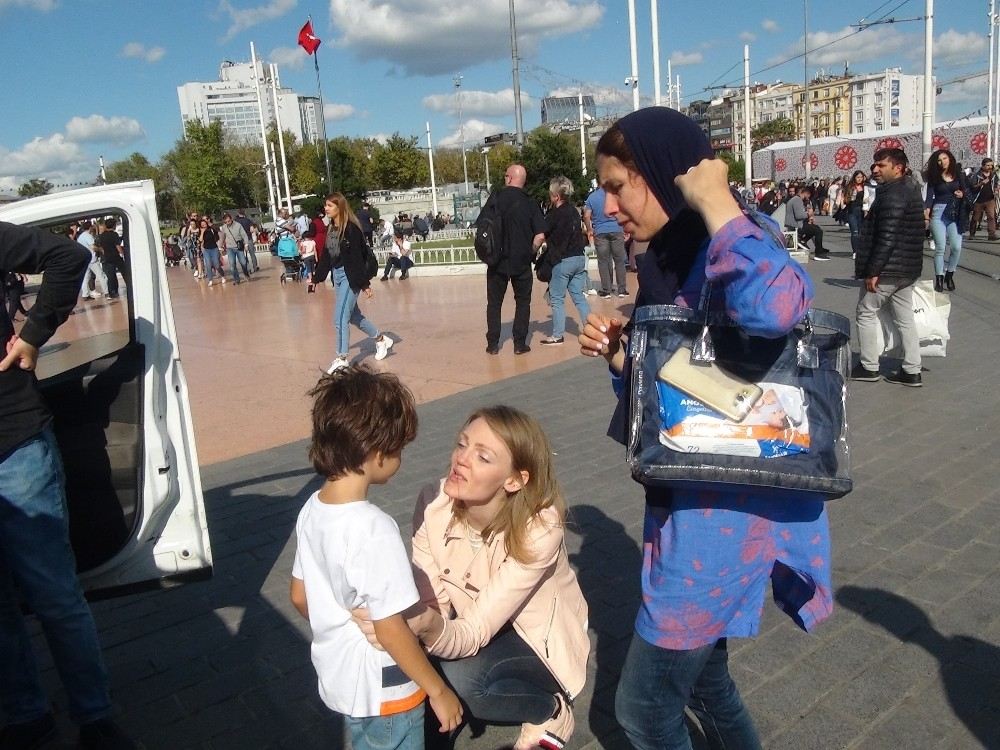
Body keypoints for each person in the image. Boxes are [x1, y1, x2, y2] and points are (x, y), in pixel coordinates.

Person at [577, 107, 830, 750]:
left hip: (721, 527)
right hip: (686, 511)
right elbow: (675, 406)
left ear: (668, 176)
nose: (607, 207)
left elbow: (778, 307)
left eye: (617, 184)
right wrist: (623, 357)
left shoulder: (735, 242)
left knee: (641, 710)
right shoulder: (670, 262)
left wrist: (720, 206)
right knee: (706, 686)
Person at [356, 405, 589, 750]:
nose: (461, 459)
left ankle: (549, 710)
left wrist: (422, 624)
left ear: (514, 480)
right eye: (462, 444)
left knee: (465, 681)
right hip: (471, 622)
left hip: (535, 640)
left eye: (483, 456)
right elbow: (433, 602)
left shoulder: (539, 530)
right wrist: (402, 624)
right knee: (415, 666)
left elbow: (471, 630)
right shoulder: (433, 504)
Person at [0, 221, 136, 749]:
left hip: (13, 443)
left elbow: (65, 258)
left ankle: (94, 717)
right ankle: (26, 714)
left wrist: (32, 336)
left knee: (54, 592)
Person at [291, 366, 463, 750]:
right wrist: (436, 690)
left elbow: (301, 597)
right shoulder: (374, 528)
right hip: (384, 688)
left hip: (342, 677)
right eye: (399, 448)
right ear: (376, 452)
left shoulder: (311, 510)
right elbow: (390, 629)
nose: (400, 458)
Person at [850, 148, 926, 387]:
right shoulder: (909, 188)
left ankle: (869, 366)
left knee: (865, 312)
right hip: (907, 268)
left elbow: (887, 237)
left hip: (889, 269)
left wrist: (873, 271)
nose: (875, 169)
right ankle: (912, 370)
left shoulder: (894, 194)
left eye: (881, 165)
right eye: (875, 165)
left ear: (898, 168)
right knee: (905, 319)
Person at [313, 193, 393, 372]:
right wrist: (317, 277)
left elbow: (357, 258)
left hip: (351, 277)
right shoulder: (331, 229)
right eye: (325, 205)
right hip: (338, 276)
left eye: (329, 206)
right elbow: (327, 256)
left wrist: (364, 284)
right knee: (354, 316)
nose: (326, 209)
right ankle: (381, 340)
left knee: (340, 318)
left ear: (339, 208)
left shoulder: (351, 229)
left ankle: (342, 357)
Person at [484, 164, 545, 355]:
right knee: (523, 301)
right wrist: (530, 252)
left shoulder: (495, 199)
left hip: (497, 261)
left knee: (494, 303)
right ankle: (519, 343)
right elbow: (540, 235)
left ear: (509, 178)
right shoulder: (530, 203)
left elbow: (482, 229)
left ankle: (493, 344)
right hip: (521, 261)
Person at [541, 176, 590, 345]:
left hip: (563, 260)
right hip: (578, 258)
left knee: (557, 299)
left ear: (556, 196)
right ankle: (589, 327)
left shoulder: (555, 214)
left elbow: (544, 234)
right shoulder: (574, 211)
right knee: (578, 296)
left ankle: (557, 335)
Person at [924, 148, 970, 292]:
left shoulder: (959, 175)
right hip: (938, 213)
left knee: (956, 247)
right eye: (939, 160)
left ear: (949, 158)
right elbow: (929, 197)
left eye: (944, 158)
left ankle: (950, 274)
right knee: (940, 248)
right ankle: (940, 278)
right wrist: (926, 213)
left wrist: (962, 193)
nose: (942, 162)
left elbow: (967, 191)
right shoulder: (934, 177)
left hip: (955, 213)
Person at [584, 185, 628, 297]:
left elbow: (586, 216)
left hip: (600, 232)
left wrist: (589, 229)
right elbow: (624, 211)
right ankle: (621, 290)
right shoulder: (615, 195)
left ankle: (606, 290)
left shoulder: (592, 197)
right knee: (619, 261)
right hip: (617, 229)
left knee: (603, 261)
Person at [784, 184, 828, 260]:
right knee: (818, 231)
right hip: (796, 225)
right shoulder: (797, 200)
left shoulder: (795, 200)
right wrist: (808, 214)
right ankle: (819, 253)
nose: (808, 197)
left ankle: (803, 241)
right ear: (805, 193)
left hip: (794, 224)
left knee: (815, 228)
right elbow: (799, 216)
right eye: (808, 195)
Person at [75, 219, 108, 300]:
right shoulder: (88, 236)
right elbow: (93, 247)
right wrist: (101, 249)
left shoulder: (80, 237)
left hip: (84, 259)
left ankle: (85, 295)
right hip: (92, 259)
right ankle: (107, 292)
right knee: (101, 276)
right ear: (90, 227)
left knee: (86, 278)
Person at [969, 157, 998, 241]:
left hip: (990, 199)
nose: (990, 167)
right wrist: (981, 183)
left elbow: (996, 184)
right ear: (982, 166)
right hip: (979, 200)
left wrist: (996, 190)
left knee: (991, 217)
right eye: (987, 165)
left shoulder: (993, 175)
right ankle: (972, 233)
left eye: (991, 165)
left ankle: (992, 234)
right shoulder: (977, 175)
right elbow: (972, 187)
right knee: (975, 218)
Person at [218, 213, 251, 285]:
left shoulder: (238, 225)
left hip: (239, 247)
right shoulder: (224, 227)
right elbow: (222, 237)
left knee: (243, 262)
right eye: (226, 222)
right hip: (230, 248)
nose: (227, 223)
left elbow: (244, 235)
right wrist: (220, 247)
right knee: (232, 265)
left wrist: (246, 244)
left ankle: (246, 274)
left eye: (228, 221)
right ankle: (236, 279)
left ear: (231, 219)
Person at [844, 170, 868, 259]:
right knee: (854, 232)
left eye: (861, 177)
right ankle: (855, 251)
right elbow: (845, 200)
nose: (859, 179)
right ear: (854, 178)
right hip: (852, 211)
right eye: (858, 177)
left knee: (862, 232)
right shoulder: (850, 187)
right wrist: (850, 198)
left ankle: (861, 250)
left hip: (862, 212)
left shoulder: (865, 186)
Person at [199, 218, 225, 287]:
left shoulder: (211, 229)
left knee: (217, 264)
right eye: (202, 225)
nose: (203, 225)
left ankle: (222, 275)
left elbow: (218, 234)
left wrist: (220, 246)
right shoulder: (201, 231)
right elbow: (200, 240)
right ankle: (210, 280)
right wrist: (202, 232)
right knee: (208, 265)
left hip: (214, 248)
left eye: (204, 224)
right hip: (206, 250)